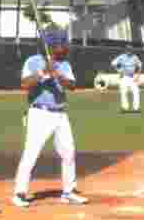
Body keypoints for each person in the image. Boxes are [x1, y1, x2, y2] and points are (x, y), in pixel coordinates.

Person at [12, 42, 89, 207]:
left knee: (69, 152)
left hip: (60, 114)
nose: (66, 49)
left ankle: (69, 192)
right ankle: (19, 193)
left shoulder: (65, 64)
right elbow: (24, 84)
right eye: (62, 46)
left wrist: (58, 75)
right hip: (40, 113)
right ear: (53, 47)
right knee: (31, 152)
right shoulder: (33, 61)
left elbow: (72, 86)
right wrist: (43, 72)